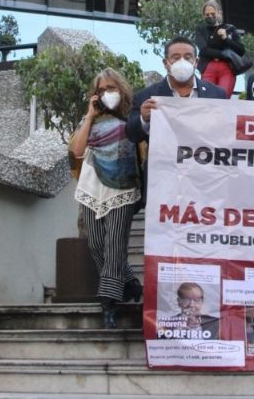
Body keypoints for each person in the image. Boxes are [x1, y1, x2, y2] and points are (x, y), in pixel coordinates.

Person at [68, 68, 143, 329]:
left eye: (111, 88)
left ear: (121, 90)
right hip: (92, 187)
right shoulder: (88, 121)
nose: (106, 93)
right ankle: (131, 282)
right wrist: (90, 115)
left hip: (124, 187)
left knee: (114, 245)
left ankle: (109, 302)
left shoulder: (132, 118)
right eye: (101, 90)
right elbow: (77, 151)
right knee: (96, 244)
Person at [193, 0, 247, 98]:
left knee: (223, 97)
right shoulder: (201, 29)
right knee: (207, 98)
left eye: (212, 13)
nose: (210, 16)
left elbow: (241, 50)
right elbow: (204, 50)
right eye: (207, 14)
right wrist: (224, 54)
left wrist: (226, 39)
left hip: (227, 68)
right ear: (203, 16)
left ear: (218, 13)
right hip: (208, 67)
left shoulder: (230, 29)